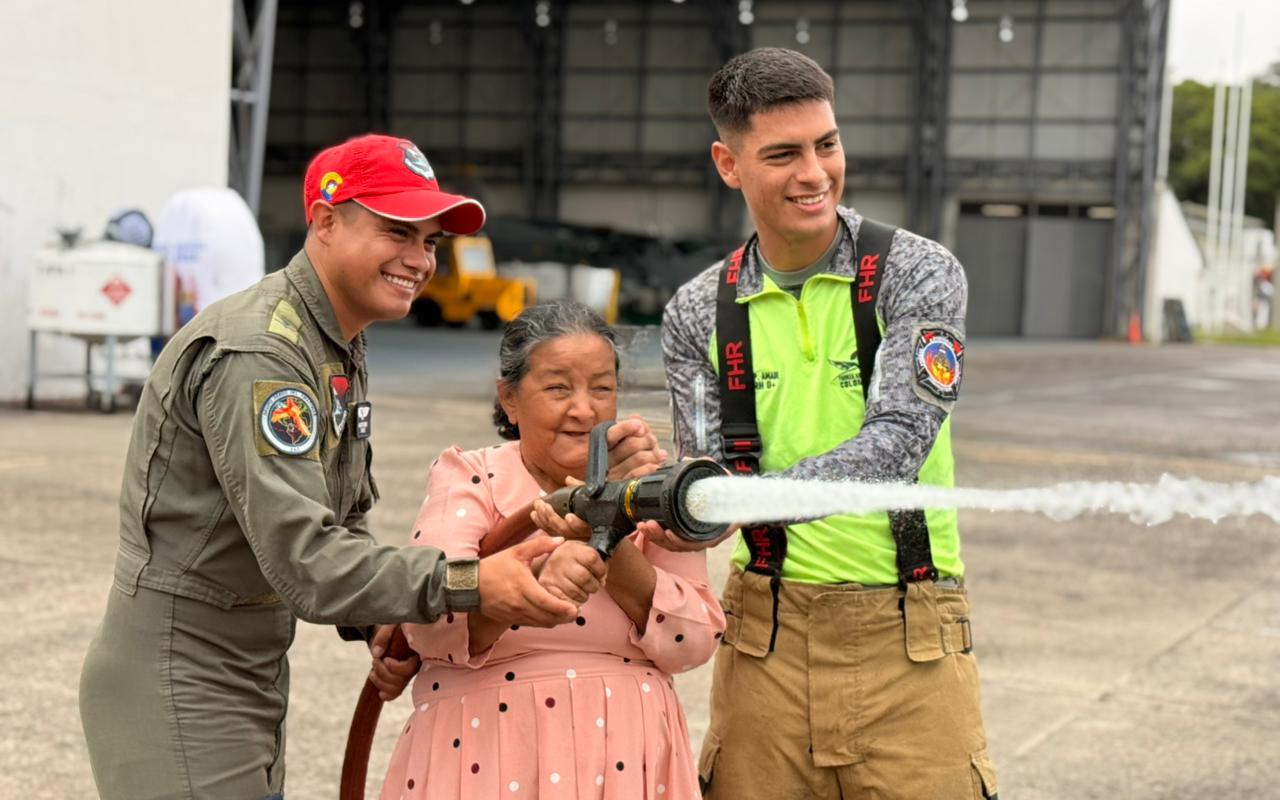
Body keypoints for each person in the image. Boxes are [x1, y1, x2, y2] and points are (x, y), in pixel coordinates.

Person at [78, 134, 592, 800]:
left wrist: (377, 619)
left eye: (430, 242)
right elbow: (306, 560)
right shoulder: (262, 354)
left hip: (242, 671)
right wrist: (470, 582)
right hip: (183, 674)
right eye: (397, 232)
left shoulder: (330, 346)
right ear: (325, 221)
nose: (418, 259)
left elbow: (336, 522)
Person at [657, 49, 998, 799]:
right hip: (762, 642)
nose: (815, 173)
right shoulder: (694, 313)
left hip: (912, 637)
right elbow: (707, 493)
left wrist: (741, 498)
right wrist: (662, 495)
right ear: (728, 163)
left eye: (827, 144)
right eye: (783, 154)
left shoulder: (919, 273)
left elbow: (899, 446)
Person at [378, 300, 726, 800]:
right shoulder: (470, 477)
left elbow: (694, 641)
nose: (584, 410)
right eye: (558, 387)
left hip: (627, 756)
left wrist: (607, 545)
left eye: (602, 388)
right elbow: (427, 624)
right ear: (510, 398)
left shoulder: (654, 488)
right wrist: (534, 582)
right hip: (486, 755)